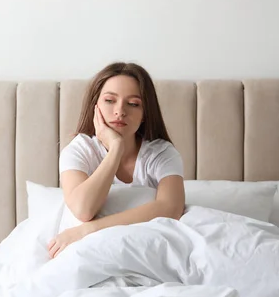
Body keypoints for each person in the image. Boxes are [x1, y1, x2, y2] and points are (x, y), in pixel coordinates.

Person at [47, 62, 185, 259]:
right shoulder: (79, 151)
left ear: (145, 113)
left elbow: (171, 209)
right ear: (96, 106)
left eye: (133, 104)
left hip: (147, 251)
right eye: (110, 100)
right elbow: (83, 210)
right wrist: (115, 150)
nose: (120, 111)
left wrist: (88, 230)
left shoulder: (162, 153)